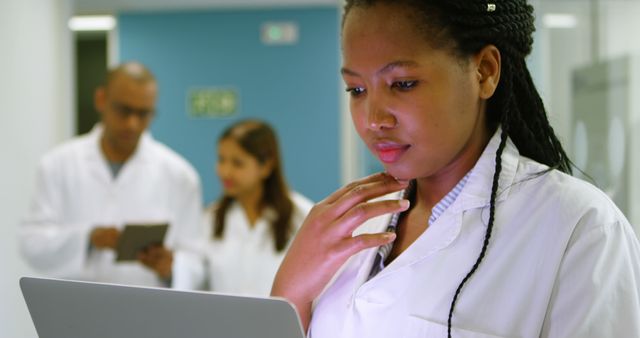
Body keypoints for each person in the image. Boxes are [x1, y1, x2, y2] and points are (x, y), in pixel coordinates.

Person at [271, 1, 640, 337]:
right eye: (356, 90)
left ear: (484, 72)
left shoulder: (579, 227)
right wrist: (290, 292)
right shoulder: (354, 225)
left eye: (403, 84)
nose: (372, 120)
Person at [20, 61, 204, 289]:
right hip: (75, 310)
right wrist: (88, 239)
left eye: (143, 114)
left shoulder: (180, 175)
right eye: (124, 110)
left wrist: (171, 267)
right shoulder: (57, 165)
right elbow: (32, 244)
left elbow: (196, 261)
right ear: (101, 99)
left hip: (149, 314)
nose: (132, 124)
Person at [195, 119, 313, 296]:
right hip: (223, 322)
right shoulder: (210, 218)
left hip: (280, 323)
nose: (225, 172)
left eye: (237, 163)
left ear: (265, 166)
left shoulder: (302, 216)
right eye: (221, 160)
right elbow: (197, 283)